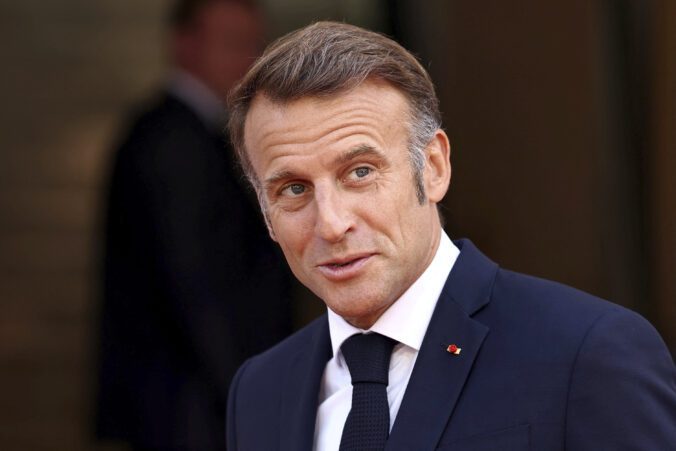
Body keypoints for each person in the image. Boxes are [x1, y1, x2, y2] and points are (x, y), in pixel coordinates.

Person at [224, 21, 676, 450]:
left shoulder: (587, 353)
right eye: (294, 189)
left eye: (360, 172)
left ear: (434, 168)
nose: (331, 223)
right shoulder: (260, 391)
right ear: (265, 213)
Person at [96, 1, 293, 449]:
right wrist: (249, 393)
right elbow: (196, 284)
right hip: (190, 408)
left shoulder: (198, 132)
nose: (248, 61)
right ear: (184, 45)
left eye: (255, 45)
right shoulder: (174, 142)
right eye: (232, 43)